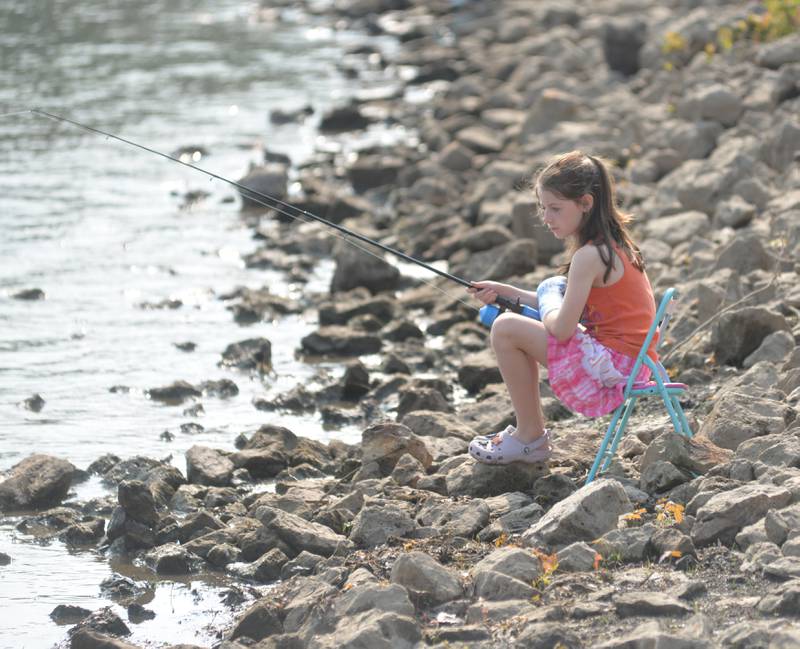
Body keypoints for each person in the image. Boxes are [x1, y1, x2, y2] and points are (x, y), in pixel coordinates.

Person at [466, 150, 657, 465]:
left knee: (505, 328)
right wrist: (509, 293)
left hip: (614, 370)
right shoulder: (615, 247)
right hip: (632, 363)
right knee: (515, 322)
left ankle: (530, 437)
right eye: (543, 208)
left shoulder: (589, 257)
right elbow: (567, 307)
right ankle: (529, 434)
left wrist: (546, 296)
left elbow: (562, 327)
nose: (546, 218)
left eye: (555, 208)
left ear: (585, 203)